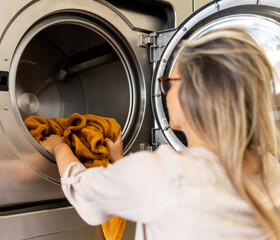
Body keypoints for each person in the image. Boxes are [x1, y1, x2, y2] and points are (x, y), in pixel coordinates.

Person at [40, 28, 280, 239]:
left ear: (194, 92)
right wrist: (119, 162)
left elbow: (84, 193)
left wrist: (60, 146)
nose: (164, 93)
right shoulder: (270, 168)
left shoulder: (166, 173)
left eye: (168, 84)